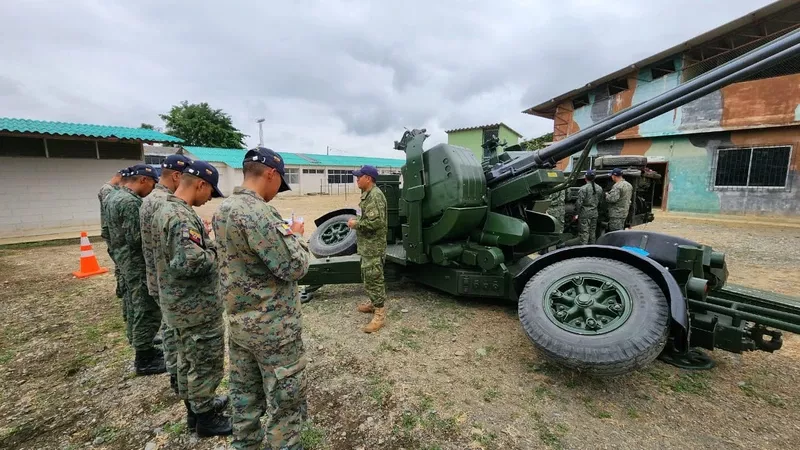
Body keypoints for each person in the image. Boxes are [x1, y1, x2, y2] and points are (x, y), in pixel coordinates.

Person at [212, 147, 310, 450]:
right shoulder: (258, 212)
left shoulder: (224, 209)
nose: (276, 193)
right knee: (286, 403)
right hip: (273, 330)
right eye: (278, 185)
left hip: (241, 325)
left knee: (245, 400)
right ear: (271, 174)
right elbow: (294, 266)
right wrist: (295, 235)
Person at [152, 160, 231, 437]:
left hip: (179, 303)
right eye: (210, 192)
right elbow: (191, 262)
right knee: (204, 363)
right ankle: (207, 419)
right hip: (195, 306)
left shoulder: (166, 208)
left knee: (187, 360)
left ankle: (196, 411)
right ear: (200, 184)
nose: (210, 198)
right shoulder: (180, 216)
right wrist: (216, 252)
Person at [104, 164, 166, 375]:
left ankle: (140, 341)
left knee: (132, 302)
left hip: (123, 259)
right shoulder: (130, 202)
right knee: (145, 306)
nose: (152, 188)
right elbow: (136, 237)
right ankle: (144, 357)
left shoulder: (114, 197)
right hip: (136, 262)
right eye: (152, 183)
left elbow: (107, 231)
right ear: (143, 180)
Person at [140, 154, 191, 394]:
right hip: (168, 280)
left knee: (170, 329)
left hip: (157, 274)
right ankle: (177, 377)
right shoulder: (164, 203)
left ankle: (176, 375)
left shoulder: (152, 199)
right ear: (177, 175)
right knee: (174, 334)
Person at [347, 164, 388, 333]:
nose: (357, 179)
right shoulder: (367, 194)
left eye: (360, 176)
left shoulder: (375, 196)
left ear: (368, 178)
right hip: (367, 245)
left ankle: (380, 313)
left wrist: (356, 224)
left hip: (373, 246)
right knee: (368, 276)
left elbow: (376, 223)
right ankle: (373, 303)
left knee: (374, 278)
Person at [99, 169, 126, 323]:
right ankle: (121, 289)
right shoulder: (108, 190)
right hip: (113, 232)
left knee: (120, 264)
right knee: (120, 264)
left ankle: (121, 288)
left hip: (112, 232)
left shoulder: (112, 190)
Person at [574, 169, 603, 245]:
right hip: (594, 213)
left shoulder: (583, 188)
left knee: (584, 233)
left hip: (584, 213)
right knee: (592, 232)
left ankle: (583, 250)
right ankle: (592, 248)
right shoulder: (599, 188)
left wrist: (576, 214)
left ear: (585, 178)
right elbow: (601, 201)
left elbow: (579, 203)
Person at [605, 167, 633, 232]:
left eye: (612, 175)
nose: (611, 177)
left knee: (615, 233)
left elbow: (612, 199)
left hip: (616, 215)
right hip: (624, 213)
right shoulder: (629, 185)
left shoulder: (617, 186)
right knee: (620, 232)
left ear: (614, 176)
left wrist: (606, 195)